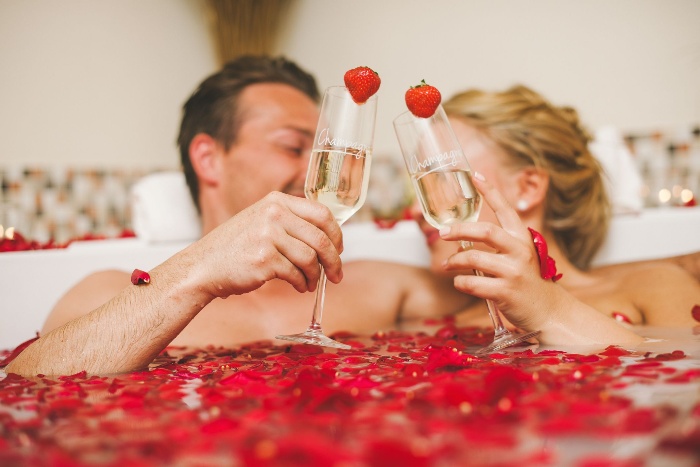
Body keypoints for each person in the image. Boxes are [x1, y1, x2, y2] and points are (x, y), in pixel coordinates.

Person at [5, 61, 644, 377]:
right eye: (293, 145)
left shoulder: (383, 285)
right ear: (210, 158)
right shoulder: (108, 292)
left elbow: (554, 309)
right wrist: (199, 269)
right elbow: (23, 386)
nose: (320, 167)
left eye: (326, 147)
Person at [410, 84, 700, 333]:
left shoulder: (653, 286)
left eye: (441, 177)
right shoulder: (443, 321)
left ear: (528, 187)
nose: (414, 209)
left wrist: (548, 311)